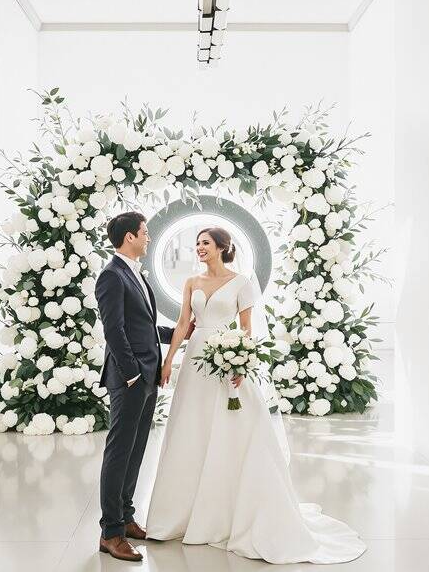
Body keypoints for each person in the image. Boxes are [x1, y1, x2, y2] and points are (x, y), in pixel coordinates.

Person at [145, 227, 366, 564]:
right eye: (197, 244)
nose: (199, 248)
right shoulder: (192, 282)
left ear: (222, 247)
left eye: (205, 243)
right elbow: (182, 324)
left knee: (231, 430)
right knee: (190, 429)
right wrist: (169, 360)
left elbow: (246, 329)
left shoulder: (242, 282)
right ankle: (180, 515)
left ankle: (224, 511)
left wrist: (241, 363)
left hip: (227, 358)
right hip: (196, 361)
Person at [94, 211, 193, 562]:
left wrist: (177, 334)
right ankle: (111, 533)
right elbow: (114, 330)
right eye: (144, 233)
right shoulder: (111, 276)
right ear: (129, 237)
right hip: (130, 377)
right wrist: (133, 372)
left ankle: (126, 516)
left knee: (136, 449)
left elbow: (143, 326)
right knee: (119, 451)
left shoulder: (133, 273)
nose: (148, 238)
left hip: (147, 375)